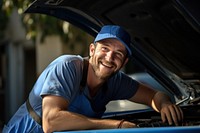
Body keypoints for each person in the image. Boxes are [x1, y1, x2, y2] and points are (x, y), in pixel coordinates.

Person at [3, 25, 183, 133]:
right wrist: (117, 126)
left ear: (124, 61)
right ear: (92, 50)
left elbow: (154, 96)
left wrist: (165, 104)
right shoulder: (66, 67)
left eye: (118, 53)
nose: (109, 57)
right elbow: (51, 121)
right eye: (104, 48)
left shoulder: (116, 81)